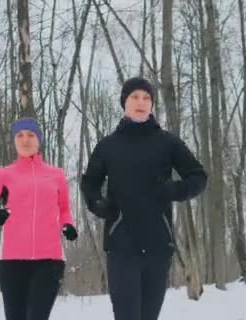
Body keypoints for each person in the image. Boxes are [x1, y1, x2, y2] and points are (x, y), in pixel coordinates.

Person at [80, 77, 207, 320]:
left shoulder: (168, 142)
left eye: (147, 98)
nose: (141, 102)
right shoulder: (108, 146)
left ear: (152, 104)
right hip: (121, 246)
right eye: (135, 97)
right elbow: (89, 184)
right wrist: (98, 204)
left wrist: (174, 190)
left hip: (158, 246)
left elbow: (198, 177)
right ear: (124, 103)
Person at [0, 117, 78, 320]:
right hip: (11, 260)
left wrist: (68, 226)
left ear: (39, 140)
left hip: (50, 259)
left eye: (30, 135)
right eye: (20, 136)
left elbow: (64, 210)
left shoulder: (56, 175)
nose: (25, 140)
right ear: (14, 141)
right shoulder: (4, 175)